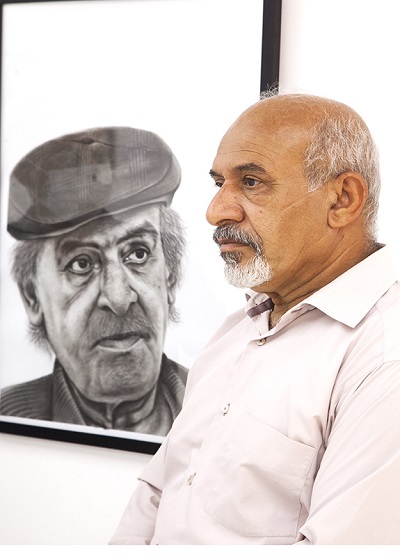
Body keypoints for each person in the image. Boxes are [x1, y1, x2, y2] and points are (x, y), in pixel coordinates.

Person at [109, 92, 400, 544]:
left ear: (342, 200)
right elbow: (161, 491)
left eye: (251, 182)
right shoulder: (242, 325)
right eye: (218, 183)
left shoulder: (383, 354)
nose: (216, 211)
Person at [0, 127, 188, 436]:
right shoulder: (9, 420)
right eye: (81, 264)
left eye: (138, 254)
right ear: (32, 296)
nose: (119, 298)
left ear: (170, 277)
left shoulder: (222, 410)